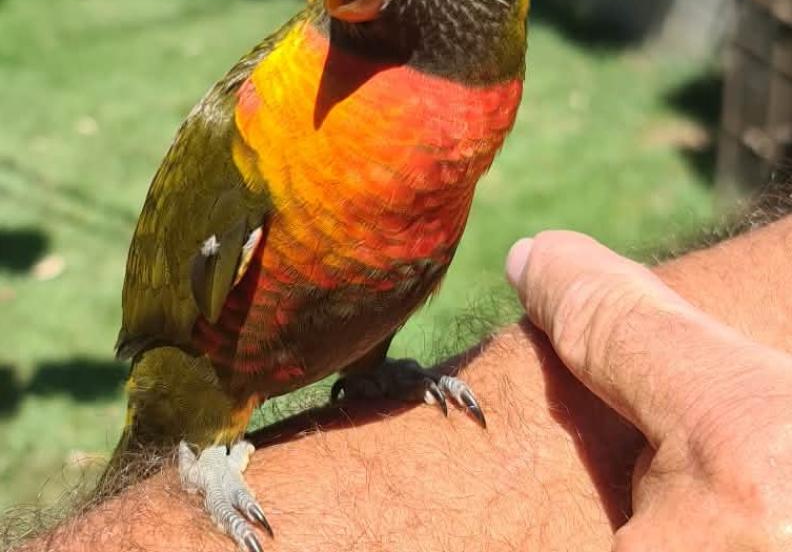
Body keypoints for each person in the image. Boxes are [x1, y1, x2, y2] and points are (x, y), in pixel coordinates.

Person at [22, 214, 792, 551]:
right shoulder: (267, 120)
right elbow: (170, 326)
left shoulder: (457, 143)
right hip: (201, 394)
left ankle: (371, 372)